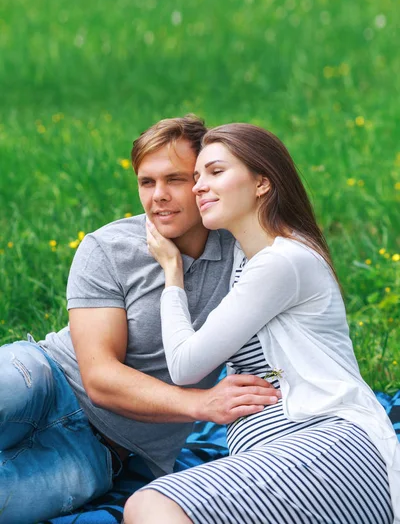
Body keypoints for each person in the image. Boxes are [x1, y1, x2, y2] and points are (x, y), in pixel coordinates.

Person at [0, 116, 280, 524]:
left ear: (203, 180)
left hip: (103, 451)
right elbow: (99, 379)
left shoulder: (244, 256)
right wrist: (203, 404)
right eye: (147, 182)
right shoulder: (109, 248)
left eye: (175, 180)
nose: (158, 196)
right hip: (45, 378)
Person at [124, 123, 400, 524]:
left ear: (262, 183)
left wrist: (172, 273)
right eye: (197, 176)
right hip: (281, 457)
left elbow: (184, 366)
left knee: (151, 505)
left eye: (216, 172)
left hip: (331, 444)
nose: (199, 186)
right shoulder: (248, 256)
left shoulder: (281, 262)